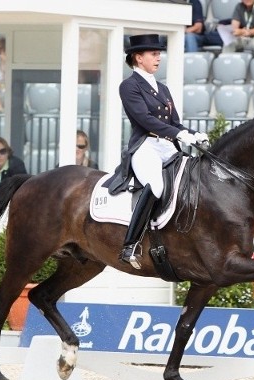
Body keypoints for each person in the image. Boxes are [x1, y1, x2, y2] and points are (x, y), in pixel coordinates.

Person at [104, 34, 207, 269]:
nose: (158, 57)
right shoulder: (129, 86)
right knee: (157, 185)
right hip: (146, 146)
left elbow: (175, 122)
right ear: (138, 58)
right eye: (154, 53)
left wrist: (193, 134)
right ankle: (130, 245)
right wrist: (178, 134)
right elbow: (145, 119)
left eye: (159, 53)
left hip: (167, 146)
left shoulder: (162, 88)